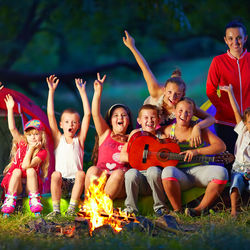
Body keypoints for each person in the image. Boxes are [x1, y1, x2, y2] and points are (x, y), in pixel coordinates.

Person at [123, 30, 215, 148]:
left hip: (165, 138)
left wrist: (198, 127)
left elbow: (211, 118)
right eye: (170, 92)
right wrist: (132, 47)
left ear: (183, 94)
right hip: (147, 127)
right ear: (164, 89)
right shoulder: (156, 91)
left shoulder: (185, 104)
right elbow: (145, 68)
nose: (172, 97)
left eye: (177, 94)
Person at [161, 98, 228, 216]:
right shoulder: (167, 131)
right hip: (180, 174)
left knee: (222, 172)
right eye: (180, 110)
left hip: (200, 171)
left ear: (193, 114)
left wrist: (197, 151)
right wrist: (168, 144)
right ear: (175, 112)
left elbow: (221, 146)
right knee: (167, 171)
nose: (184, 114)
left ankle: (199, 209)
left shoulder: (199, 129)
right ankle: (178, 210)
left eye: (188, 112)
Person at [206, 20, 250, 173]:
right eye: (230, 38)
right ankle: (231, 194)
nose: (235, 42)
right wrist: (223, 108)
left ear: (245, 38)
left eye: (239, 37)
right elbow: (210, 90)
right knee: (230, 161)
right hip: (225, 121)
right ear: (225, 40)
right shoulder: (218, 62)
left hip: (249, 121)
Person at [46, 75, 91, 217]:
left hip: (76, 184)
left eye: (74, 122)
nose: (70, 125)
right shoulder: (58, 139)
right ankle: (56, 210)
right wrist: (51, 91)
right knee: (55, 174)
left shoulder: (80, 140)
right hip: (62, 184)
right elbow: (50, 114)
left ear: (78, 125)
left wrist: (83, 92)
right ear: (61, 125)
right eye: (67, 122)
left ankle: (72, 208)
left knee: (81, 173)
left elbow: (88, 114)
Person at [85, 73, 133, 200]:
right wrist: (98, 92)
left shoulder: (133, 138)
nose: (120, 118)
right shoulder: (105, 133)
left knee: (117, 173)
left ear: (129, 121)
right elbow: (95, 114)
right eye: (116, 115)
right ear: (110, 121)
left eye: (123, 115)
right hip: (101, 180)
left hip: (119, 185)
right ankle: (88, 204)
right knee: (91, 170)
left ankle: (101, 208)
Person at [1, 94, 49, 217]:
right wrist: (11, 109)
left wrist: (32, 149)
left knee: (31, 171)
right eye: (29, 134)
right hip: (16, 183)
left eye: (36, 134)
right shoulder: (22, 143)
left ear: (41, 136)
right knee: (16, 171)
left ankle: (34, 200)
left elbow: (26, 165)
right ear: (25, 136)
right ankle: (10, 200)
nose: (33, 137)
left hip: (29, 185)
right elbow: (12, 128)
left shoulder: (42, 152)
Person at [120, 104, 169, 216]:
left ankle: (160, 208)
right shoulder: (135, 134)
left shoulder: (161, 136)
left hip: (155, 179)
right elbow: (122, 156)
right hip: (139, 180)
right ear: (139, 120)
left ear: (158, 119)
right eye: (146, 118)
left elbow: (167, 158)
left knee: (153, 170)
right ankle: (131, 209)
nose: (150, 121)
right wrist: (141, 157)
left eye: (153, 117)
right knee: (131, 173)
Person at [220, 84, 250, 217]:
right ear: (246, 122)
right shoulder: (243, 131)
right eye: (249, 122)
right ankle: (234, 211)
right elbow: (236, 112)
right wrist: (230, 92)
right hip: (238, 169)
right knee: (235, 185)